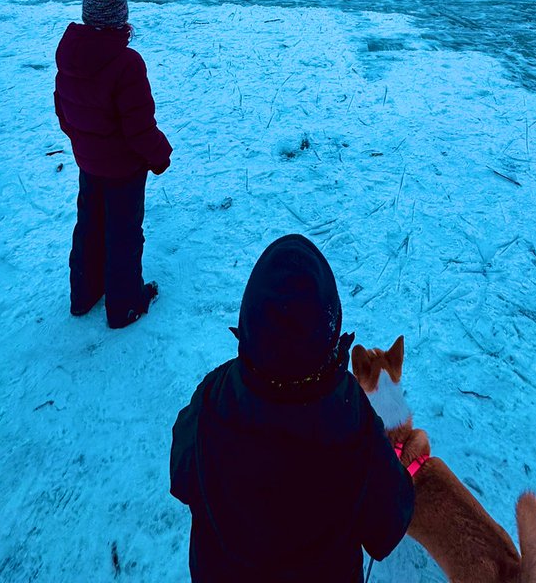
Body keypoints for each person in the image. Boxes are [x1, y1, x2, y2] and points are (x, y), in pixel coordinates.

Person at [169, 234, 414, 582]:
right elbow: (388, 526)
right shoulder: (351, 416)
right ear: (330, 329)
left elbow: (181, 475)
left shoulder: (217, 394)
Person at [54, 0, 172, 329]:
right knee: (123, 234)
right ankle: (124, 306)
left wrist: (83, 145)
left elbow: (63, 110)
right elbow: (138, 128)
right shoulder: (126, 63)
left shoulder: (71, 53)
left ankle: (83, 295)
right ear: (120, 15)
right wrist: (159, 155)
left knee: (89, 226)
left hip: (89, 163)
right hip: (123, 170)